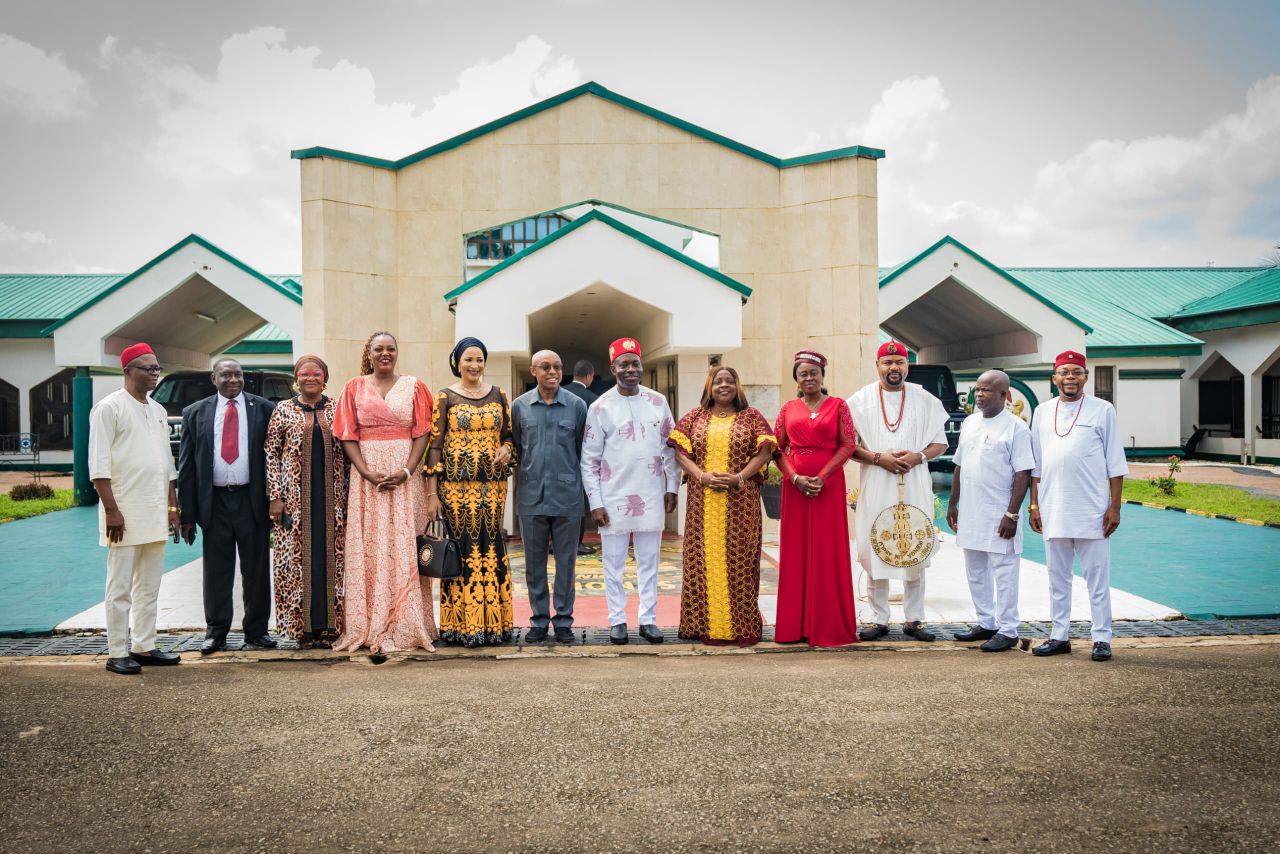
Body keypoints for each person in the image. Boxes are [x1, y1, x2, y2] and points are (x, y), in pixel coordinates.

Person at [332, 331, 437, 653]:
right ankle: (369, 622)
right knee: (372, 544)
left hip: (406, 475)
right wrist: (364, 471)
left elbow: (422, 432)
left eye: (391, 348)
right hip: (368, 476)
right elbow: (347, 434)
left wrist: (407, 470)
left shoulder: (415, 386)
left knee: (404, 542)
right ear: (370, 353)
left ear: (397, 352)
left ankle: (407, 622)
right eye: (378, 349)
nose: (385, 353)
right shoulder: (353, 387)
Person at [1029, 350, 1129, 662]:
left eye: (1076, 372)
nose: (1070, 377)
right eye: (1064, 372)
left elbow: (1115, 462)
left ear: (1085, 377)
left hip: (1092, 511)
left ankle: (1101, 639)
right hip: (1053, 508)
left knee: (1097, 580)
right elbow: (1036, 465)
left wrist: (1115, 507)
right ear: (1054, 378)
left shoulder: (1103, 410)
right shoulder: (1042, 412)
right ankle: (1059, 636)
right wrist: (1034, 506)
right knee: (1057, 578)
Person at [89, 342, 182, 675]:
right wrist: (111, 511)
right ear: (128, 370)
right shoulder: (108, 408)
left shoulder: (157, 410)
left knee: (149, 585)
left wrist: (172, 507)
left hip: (155, 511)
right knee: (120, 587)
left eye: (157, 368)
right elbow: (98, 465)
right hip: (124, 513)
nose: (155, 373)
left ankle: (144, 645)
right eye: (148, 368)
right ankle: (117, 652)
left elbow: (166, 465)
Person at [580, 337, 679, 645]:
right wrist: (595, 502)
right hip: (613, 497)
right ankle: (617, 620)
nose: (631, 369)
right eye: (624, 364)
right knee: (613, 564)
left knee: (650, 562)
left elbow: (671, 448)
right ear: (614, 369)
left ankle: (648, 620)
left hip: (651, 493)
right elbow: (589, 460)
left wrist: (672, 487)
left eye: (635, 363)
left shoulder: (658, 402)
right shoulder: (600, 407)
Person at [848, 341, 949, 642]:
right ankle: (878, 618)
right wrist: (879, 458)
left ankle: (914, 619)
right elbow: (849, 446)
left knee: (915, 544)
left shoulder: (925, 399)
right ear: (877, 366)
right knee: (876, 545)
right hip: (877, 481)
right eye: (888, 362)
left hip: (914, 481)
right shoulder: (859, 401)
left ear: (907, 366)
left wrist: (918, 456)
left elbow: (940, 443)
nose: (894, 367)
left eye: (899, 362)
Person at [669, 366, 775, 646]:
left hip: (742, 502)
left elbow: (765, 451)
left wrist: (739, 477)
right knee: (701, 560)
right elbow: (680, 453)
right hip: (702, 502)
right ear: (710, 386)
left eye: (730, 381)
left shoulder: (751, 417)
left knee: (740, 560)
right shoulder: (695, 416)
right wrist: (701, 476)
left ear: (737, 386)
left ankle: (741, 627)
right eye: (718, 381)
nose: (724, 385)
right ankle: (700, 625)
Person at [178, 357, 276, 654]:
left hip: (251, 500)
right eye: (226, 375)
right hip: (215, 502)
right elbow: (187, 467)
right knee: (216, 572)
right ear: (214, 379)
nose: (233, 380)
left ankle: (256, 631)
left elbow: (274, 459)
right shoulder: (195, 413)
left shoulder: (264, 409)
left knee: (256, 570)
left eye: (238, 374)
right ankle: (216, 632)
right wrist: (187, 514)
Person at [425, 336, 516, 647]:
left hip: (493, 489)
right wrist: (432, 494)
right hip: (456, 491)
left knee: (490, 549)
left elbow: (509, 437)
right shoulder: (445, 397)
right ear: (457, 363)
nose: (474, 365)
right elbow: (434, 447)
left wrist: (506, 449)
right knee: (462, 551)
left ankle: (494, 625)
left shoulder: (500, 395)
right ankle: (460, 626)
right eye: (468, 359)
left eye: (479, 360)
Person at [773, 351, 859, 647]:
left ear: (822, 375)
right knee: (796, 550)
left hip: (828, 485)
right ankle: (793, 627)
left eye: (814, 372)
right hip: (795, 487)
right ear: (796, 379)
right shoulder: (787, 408)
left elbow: (848, 445)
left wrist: (822, 476)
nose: (809, 378)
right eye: (803, 373)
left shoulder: (839, 405)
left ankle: (826, 625)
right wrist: (794, 477)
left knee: (826, 549)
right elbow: (776, 448)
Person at [946, 370, 1033, 653]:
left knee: (1004, 573)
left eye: (986, 390)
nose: (979, 395)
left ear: (1003, 395)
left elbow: (1023, 473)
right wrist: (953, 503)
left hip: (999, 514)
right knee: (976, 571)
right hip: (971, 512)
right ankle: (986, 622)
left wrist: (1012, 514)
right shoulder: (970, 422)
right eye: (977, 389)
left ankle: (1008, 630)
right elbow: (960, 464)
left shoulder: (1016, 428)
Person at [265, 355, 349, 648]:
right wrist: (275, 496)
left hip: (333, 500)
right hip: (294, 502)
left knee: (332, 559)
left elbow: (349, 453)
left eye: (316, 374)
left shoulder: (338, 408)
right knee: (297, 561)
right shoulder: (283, 409)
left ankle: (331, 627)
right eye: (304, 374)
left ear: (325, 378)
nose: (310, 378)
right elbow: (271, 454)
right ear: (296, 378)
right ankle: (303, 630)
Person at [510, 349, 587, 644]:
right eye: (545, 367)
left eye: (557, 366)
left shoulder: (577, 406)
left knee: (566, 564)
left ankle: (564, 621)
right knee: (534, 564)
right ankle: (539, 620)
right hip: (531, 496)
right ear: (534, 371)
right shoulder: (520, 406)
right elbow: (517, 447)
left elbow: (582, 450)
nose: (552, 372)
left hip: (568, 497)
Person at [562, 359, 599, 555]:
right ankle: (577, 543)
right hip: (583, 457)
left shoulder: (560, 394)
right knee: (579, 501)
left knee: (560, 501)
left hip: (560, 456)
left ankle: (558, 542)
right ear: (589, 376)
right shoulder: (594, 399)